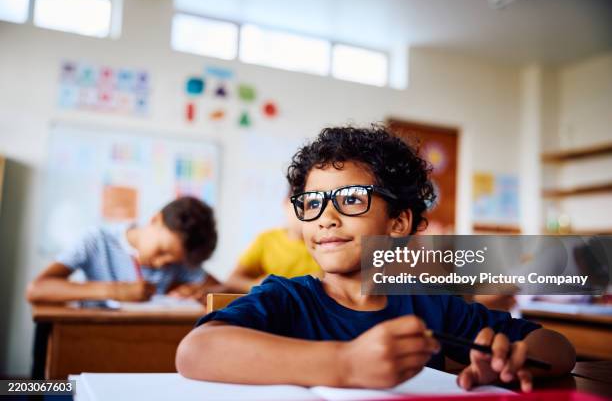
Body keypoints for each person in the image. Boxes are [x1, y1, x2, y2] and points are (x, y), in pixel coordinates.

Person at [176, 125, 575, 391]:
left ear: (399, 223)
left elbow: (559, 348)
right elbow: (194, 352)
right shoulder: (287, 298)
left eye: (351, 200)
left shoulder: (428, 304)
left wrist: (511, 361)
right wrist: (346, 363)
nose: (325, 218)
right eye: (311, 203)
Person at [26, 196, 218, 303]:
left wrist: (199, 292)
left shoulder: (180, 257)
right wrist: (114, 290)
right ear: (155, 220)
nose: (161, 263)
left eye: (171, 261)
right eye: (161, 251)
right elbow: (37, 289)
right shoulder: (96, 241)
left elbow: (221, 288)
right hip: (88, 335)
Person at [223, 197, 320, 293]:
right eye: (300, 206)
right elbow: (232, 281)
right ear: (285, 203)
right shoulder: (267, 240)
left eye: (313, 206)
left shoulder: (325, 245)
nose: (304, 214)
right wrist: (257, 285)